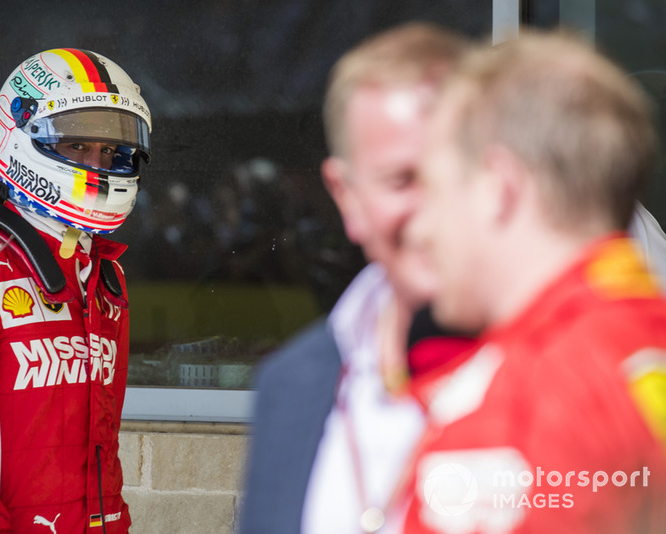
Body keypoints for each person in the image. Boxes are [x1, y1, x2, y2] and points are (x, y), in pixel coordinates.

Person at [404, 31, 666, 532]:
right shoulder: (643, 333)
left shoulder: (509, 412)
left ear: (499, 188)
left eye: (435, 188)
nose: (419, 228)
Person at [239, 24, 475, 534]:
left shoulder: (579, 367)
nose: (432, 212)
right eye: (401, 180)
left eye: (456, 171)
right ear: (346, 196)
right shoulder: (292, 386)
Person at [0, 48, 151, 533]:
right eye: (77, 146)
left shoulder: (105, 276)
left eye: (110, 150)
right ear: (18, 137)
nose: (97, 163)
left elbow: (102, 443)